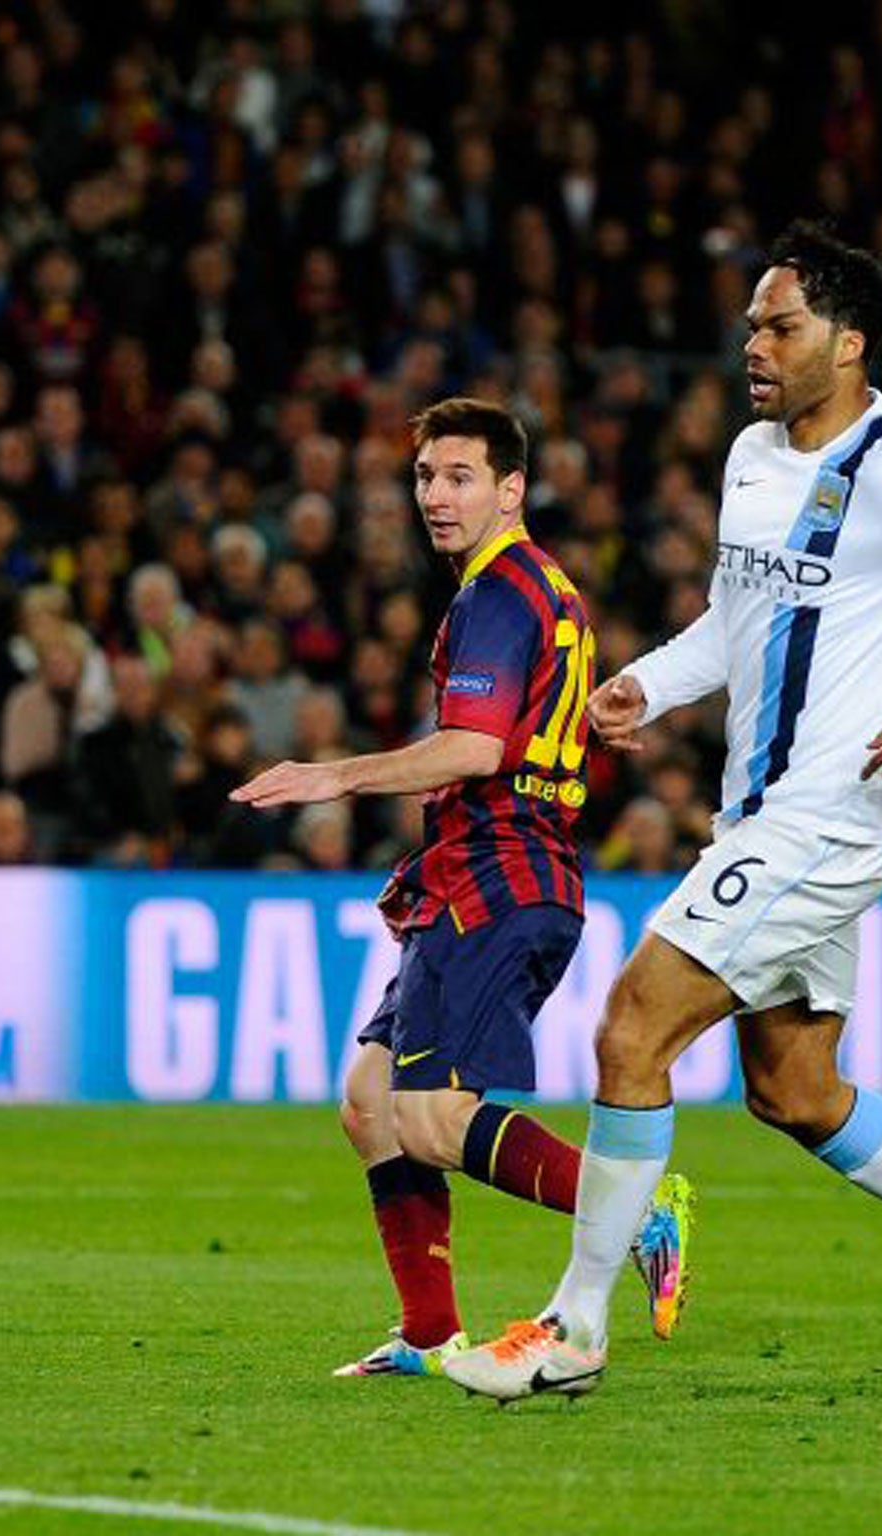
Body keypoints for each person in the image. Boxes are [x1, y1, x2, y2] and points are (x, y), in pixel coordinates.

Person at [450, 224, 882, 1400]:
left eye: (780, 325)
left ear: (847, 344)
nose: (752, 342)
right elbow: (731, 621)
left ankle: (573, 1328)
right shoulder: (752, 457)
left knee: (631, 1028)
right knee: (793, 1094)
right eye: (752, 323)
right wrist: (647, 680)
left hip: (832, 813)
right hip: (758, 809)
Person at [233, 397, 692, 1379]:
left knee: (434, 1120)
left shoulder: (495, 593)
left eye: (458, 478)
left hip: (497, 874)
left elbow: (475, 745)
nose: (434, 498)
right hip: (476, 872)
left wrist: (331, 774)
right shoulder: (541, 588)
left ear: (509, 488)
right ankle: (427, 1331)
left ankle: (636, 1207)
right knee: (368, 1100)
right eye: (423, 478)